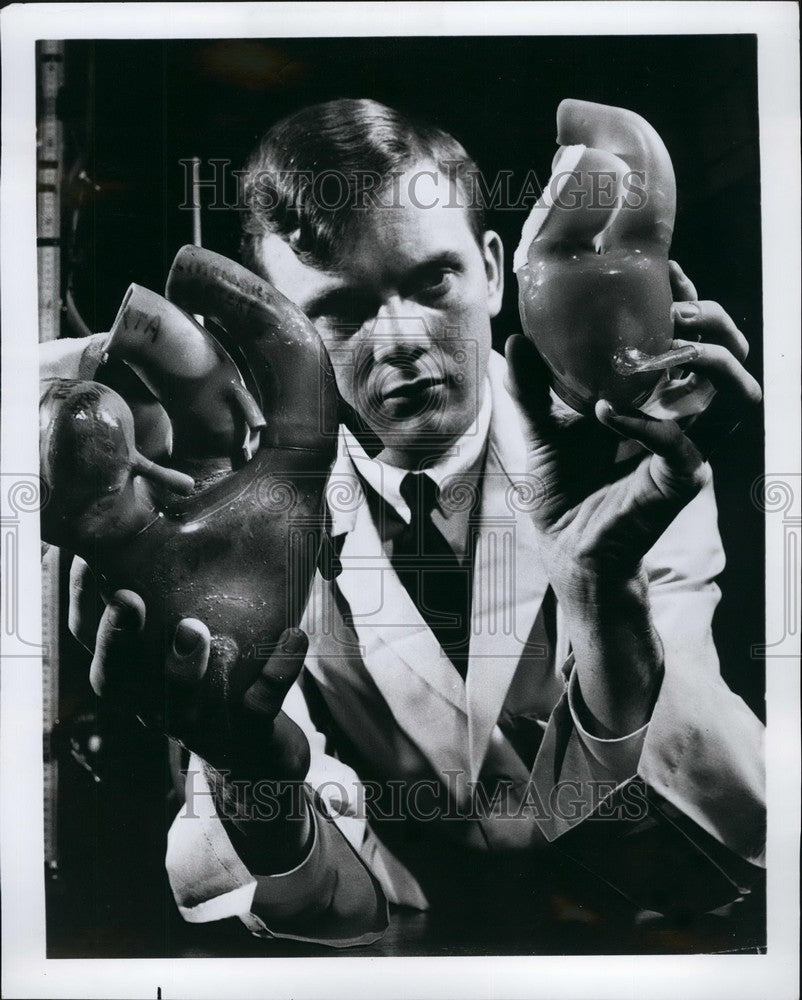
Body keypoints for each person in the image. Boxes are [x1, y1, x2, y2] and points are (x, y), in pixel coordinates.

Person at [45, 98, 765, 948]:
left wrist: (597, 587)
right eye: (340, 312)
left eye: (432, 282)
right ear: (284, 339)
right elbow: (328, 900)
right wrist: (246, 770)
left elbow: (687, 789)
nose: (398, 340)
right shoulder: (251, 530)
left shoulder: (629, 452)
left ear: (495, 270)